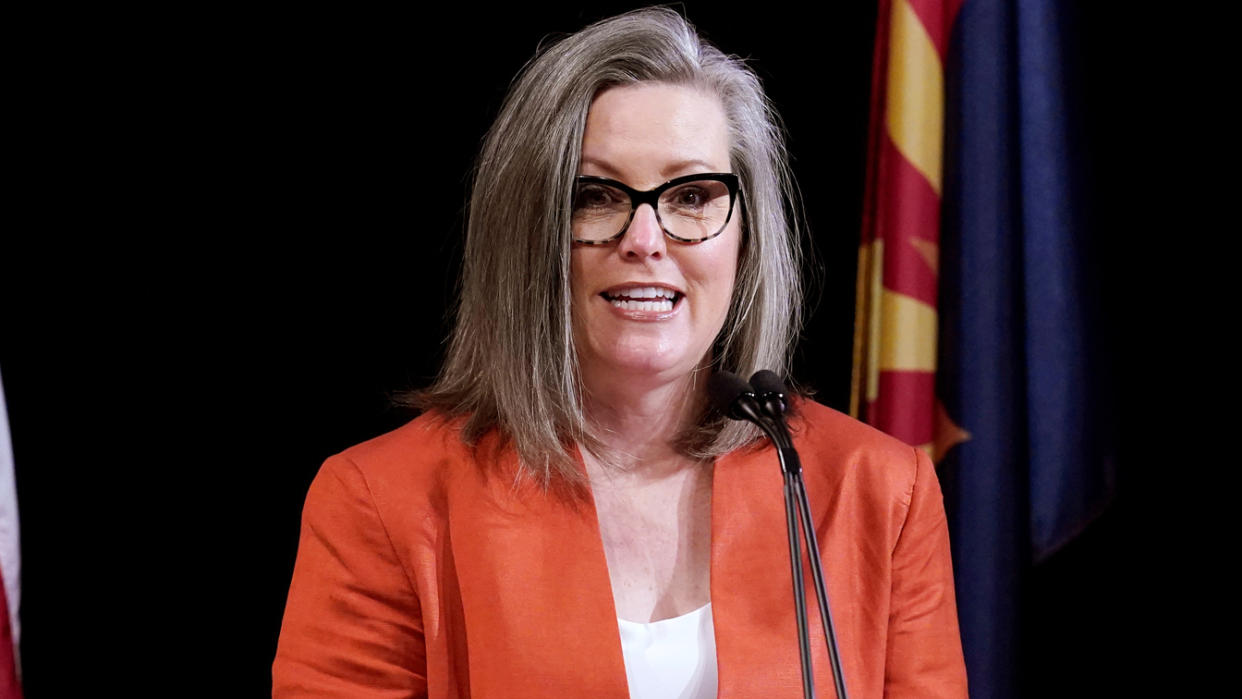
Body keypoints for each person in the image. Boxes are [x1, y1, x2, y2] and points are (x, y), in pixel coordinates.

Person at [273, 8, 966, 698]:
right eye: (596, 196)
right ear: (529, 235)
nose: (645, 237)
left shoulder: (879, 490)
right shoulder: (381, 501)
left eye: (692, 194)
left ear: (745, 240)